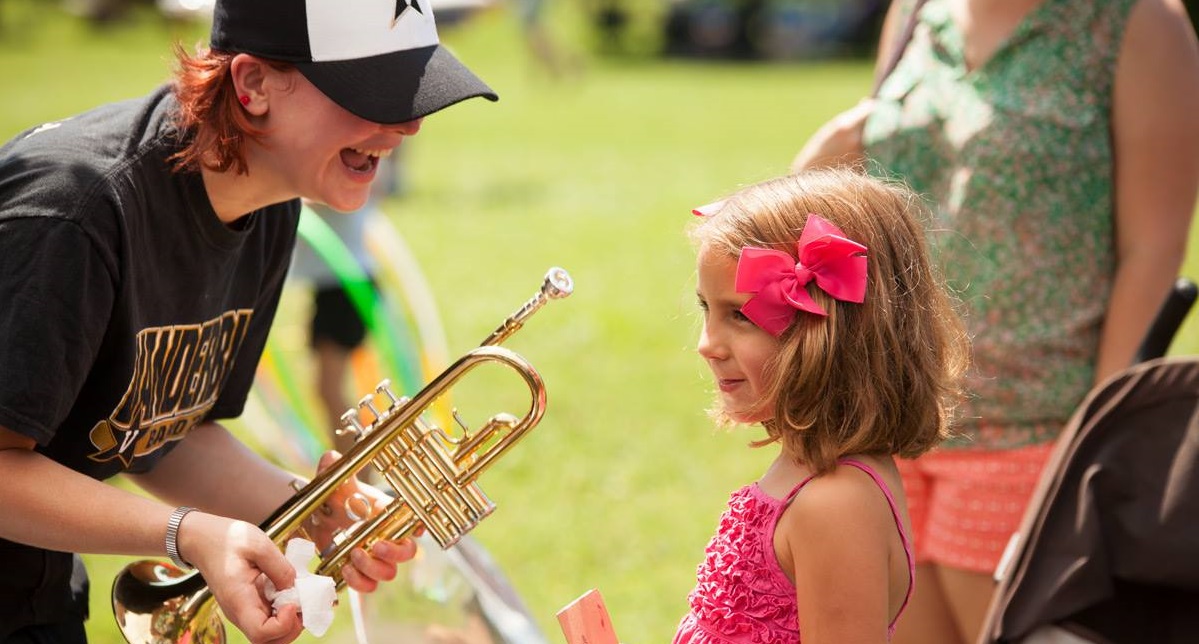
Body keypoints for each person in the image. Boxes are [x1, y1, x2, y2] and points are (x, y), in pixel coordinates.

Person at [0, 0, 499, 641]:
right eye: (374, 91)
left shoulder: (270, 202)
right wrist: (187, 533)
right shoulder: (76, 214)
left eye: (415, 92)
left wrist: (309, 508)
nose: (408, 126)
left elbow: (155, 431)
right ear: (253, 85)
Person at [789, 1, 1199, 642]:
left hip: (1034, 429)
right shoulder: (917, 10)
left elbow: (1153, 247)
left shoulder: (1138, 22)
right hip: (890, 423)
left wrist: (1091, 442)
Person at [674, 168, 970, 643]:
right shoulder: (809, 468)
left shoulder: (835, 502)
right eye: (707, 309)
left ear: (829, 335)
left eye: (739, 316)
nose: (708, 344)